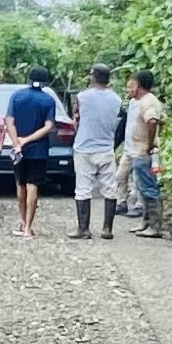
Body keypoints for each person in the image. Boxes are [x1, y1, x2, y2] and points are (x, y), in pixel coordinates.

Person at [0, 67, 64, 237]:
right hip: (39, 150)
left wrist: (17, 142)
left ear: (29, 79)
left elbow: (9, 121)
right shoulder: (48, 100)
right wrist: (28, 140)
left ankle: (22, 222)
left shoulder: (17, 96)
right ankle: (28, 227)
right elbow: (49, 126)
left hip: (19, 150)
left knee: (20, 184)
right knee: (32, 185)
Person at [68, 64, 128, 240]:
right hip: (106, 148)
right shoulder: (116, 99)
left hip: (84, 148)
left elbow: (76, 118)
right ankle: (107, 229)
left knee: (83, 189)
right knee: (110, 189)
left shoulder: (82, 97)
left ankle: (83, 229)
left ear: (93, 77)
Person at [123, 70, 168, 237]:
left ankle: (154, 226)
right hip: (140, 150)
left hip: (143, 151)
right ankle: (146, 222)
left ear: (137, 85)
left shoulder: (147, 102)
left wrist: (150, 144)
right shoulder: (145, 101)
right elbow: (162, 121)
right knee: (143, 187)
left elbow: (153, 121)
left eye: (131, 85)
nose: (129, 89)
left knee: (148, 188)